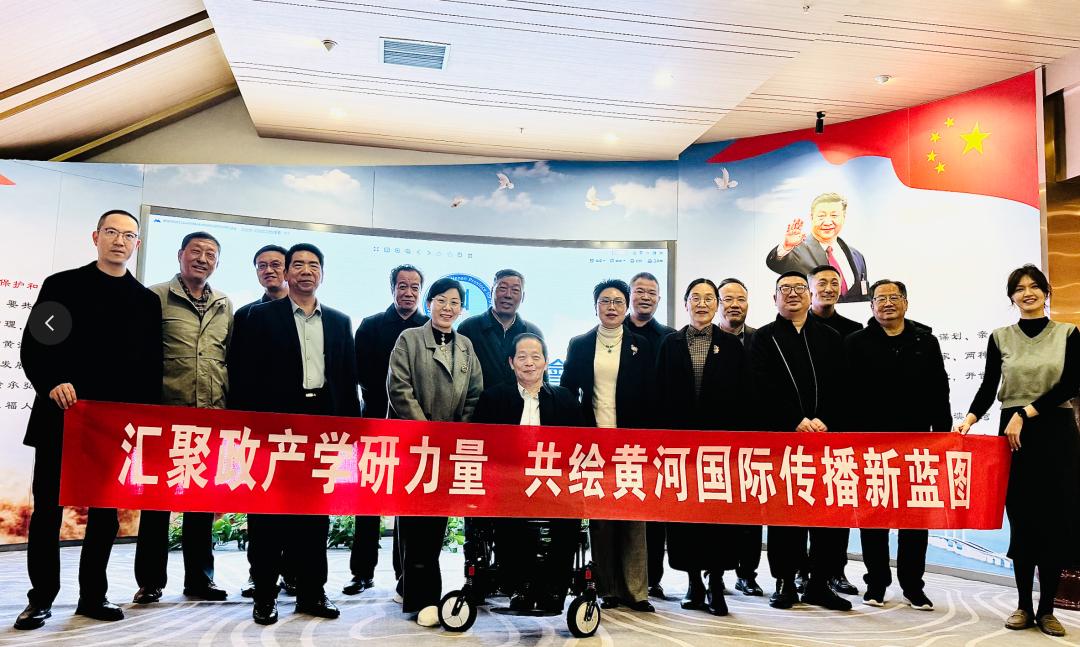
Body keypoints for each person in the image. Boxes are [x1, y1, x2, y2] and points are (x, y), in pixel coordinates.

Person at [15, 210, 163, 630]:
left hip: (113, 427)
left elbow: (150, 369)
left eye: (128, 235)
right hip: (61, 416)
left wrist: (140, 423)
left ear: (137, 244)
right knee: (48, 510)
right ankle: (41, 597)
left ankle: (93, 595)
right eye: (111, 232)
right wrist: (51, 382)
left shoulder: (145, 301)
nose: (119, 241)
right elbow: (36, 346)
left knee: (104, 514)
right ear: (95, 237)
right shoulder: (63, 286)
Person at [228, 243, 360, 625]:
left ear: (322, 274)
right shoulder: (258, 317)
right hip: (273, 426)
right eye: (297, 264)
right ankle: (265, 594)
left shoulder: (339, 321)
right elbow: (242, 374)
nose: (305, 271)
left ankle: (312, 592)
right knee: (268, 513)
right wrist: (247, 428)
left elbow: (347, 379)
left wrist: (349, 432)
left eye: (313, 265)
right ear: (286, 273)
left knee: (315, 515)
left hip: (322, 424)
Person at [955, 264, 1080, 637]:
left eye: (1034, 286)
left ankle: (1048, 610)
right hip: (1013, 438)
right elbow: (989, 385)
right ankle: (1024, 605)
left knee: (1054, 522)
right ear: (1011, 297)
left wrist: (1025, 413)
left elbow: (1071, 384)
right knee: (1023, 522)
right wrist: (969, 419)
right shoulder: (1000, 337)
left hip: (1055, 432)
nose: (1027, 293)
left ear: (1046, 292)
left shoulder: (1068, 333)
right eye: (1019, 288)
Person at [134, 232, 232, 605]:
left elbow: (228, 357)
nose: (203, 259)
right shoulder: (155, 297)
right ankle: (150, 581)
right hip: (164, 415)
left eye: (211, 254)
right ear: (180, 255)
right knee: (156, 503)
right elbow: (141, 353)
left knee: (201, 503)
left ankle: (200, 580)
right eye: (196, 251)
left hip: (210, 416)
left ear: (217, 263)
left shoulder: (224, 303)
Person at [747, 271, 851, 612]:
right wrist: (793, 420)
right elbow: (760, 387)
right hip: (784, 441)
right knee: (785, 514)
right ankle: (785, 581)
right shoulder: (763, 338)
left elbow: (842, 385)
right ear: (774, 298)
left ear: (809, 295)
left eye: (799, 288)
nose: (792, 294)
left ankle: (820, 583)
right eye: (785, 289)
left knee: (826, 514)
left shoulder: (831, 337)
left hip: (824, 440)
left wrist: (826, 419)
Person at [845, 279, 949, 611]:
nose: (887, 303)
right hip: (871, 444)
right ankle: (876, 583)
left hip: (917, 443)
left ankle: (913, 586)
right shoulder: (856, 343)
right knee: (873, 516)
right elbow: (845, 394)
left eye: (894, 297)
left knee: (914, 518)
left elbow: (939, 390)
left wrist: (942, 436)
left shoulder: (925, 341)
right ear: (871, 306)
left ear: (906, 302)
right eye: (881, 298)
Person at [388, 277, 484, 627]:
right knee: (417, 523)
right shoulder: (409, 339)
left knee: (436, 522)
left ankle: (409, 586)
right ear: (429, 304)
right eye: (441, 300)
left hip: (449, 449)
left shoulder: (466, 346)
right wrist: (427, 432)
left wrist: (456, 434)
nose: (448, 307)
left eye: (455, 302)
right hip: (415, 446)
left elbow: (475, 393)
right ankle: (423, 599)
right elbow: (399, 389)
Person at [655, 278, 750, 616]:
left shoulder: (732, 345)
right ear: (685, 304)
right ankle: (694, 583)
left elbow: (744, 395)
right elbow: (658, 393)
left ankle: (716, 584)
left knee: (718, 517)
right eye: (695, 298)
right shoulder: (670, 344)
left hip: (719, 450)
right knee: (686, 516)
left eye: (709, 298)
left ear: (717, 305)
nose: (702, 304)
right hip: (680, 449)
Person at [560, 279, 655, 613]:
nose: (611, 307)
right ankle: (607, 588)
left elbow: (651, 394)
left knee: (633, 516)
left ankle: (636, 591)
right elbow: (568, 391)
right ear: (595, 306)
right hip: (595, 443)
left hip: (632, 444)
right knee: (601, 519)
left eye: (617, 301)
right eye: (605, 301)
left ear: (626, 307)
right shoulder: (580, 344)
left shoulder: (642, 345)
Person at [473, 333, 583, 612]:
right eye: (522, 357)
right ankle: (519, 586)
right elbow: (481, 445)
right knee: (507, 514)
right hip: (509, 484)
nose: (529, 363)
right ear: (511, 362)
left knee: (569, 517)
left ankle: (554, 587)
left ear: (546, 362)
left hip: (553, 483)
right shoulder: (493, 399)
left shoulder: (565, 399)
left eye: (536, 357)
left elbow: (580, 446)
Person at [344, 264, 428, 597]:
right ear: (392, 288)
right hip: (375, 422)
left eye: (415, 287)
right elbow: (359, 374)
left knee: (409, 501)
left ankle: (403, 572)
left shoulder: (429, 327)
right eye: (402, 286)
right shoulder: (371, 326)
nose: (408, 292)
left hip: (415, 428)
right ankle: (361, 572)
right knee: (367, 500)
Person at [232, 244, 296, 599]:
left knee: (299, 505)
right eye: (261, 265)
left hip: (302, 429)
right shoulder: (246, 315)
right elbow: (238, 370)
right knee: (260, 505)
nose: (269, 270)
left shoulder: (308, 312)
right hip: (259, 426)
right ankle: (260, 576)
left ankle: (294, 573)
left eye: (276, 264)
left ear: (288, 270)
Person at [807, 264, 862, 596]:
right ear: (810, 288)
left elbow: (851, 387)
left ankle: (835, 570)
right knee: (802, 503)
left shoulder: (853, 331)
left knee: (838, 503)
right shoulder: (793, 328)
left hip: (838, 430)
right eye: (821, 283)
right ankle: (801, 571)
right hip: (799, 432)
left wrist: (831, 418)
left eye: (833, 282)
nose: (827, 288)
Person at [624, 271, 674, 599]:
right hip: (617, 438)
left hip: (657, 439)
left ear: (658, 298)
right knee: (619, 508)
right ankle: (615, 576)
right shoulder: (611, 332)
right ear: (630, 295)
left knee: (655, 512)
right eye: (639, 291)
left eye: (651, 292)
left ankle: (652, 577)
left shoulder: (669, 337)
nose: (645, 297)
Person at [714, 277, 763, 597]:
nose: (734, 305)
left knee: (751, 510)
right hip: (713, 440)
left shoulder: (761, 339)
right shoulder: (702, 339)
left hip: (753, 440)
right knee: (714, 509)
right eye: (727, 299)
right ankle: (713, 570)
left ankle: (747, 573)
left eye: (740, 299)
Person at [765, 192, 869, 302]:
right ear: (811, 217)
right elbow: (775, 263)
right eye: (821, 216)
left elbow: (864, 294)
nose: (827, 222)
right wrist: (786, 246)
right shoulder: (796, 251)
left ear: (844, 217)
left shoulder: (857, 256)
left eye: (834, 215)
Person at [458, 269, 544, 388]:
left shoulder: (533, 332)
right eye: (503, 288)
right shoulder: (469, 328)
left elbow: (542, 380)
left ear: (523, 297)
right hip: (480, 399)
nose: (508, 295)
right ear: (492, 292)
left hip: (522, 400)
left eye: (515, 290)